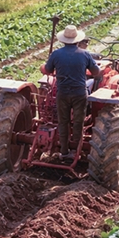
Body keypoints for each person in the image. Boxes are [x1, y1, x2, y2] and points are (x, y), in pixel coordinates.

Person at [40, 25, 101, 160]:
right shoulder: (85, 54)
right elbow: (96, 72)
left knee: (63, 122)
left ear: (63, 40)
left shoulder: (56, 54)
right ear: (78, 40)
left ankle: (64, 152)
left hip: (62, 93)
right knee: (78, 122)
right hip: (79, 93)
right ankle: (77, 150)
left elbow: (48, 70)